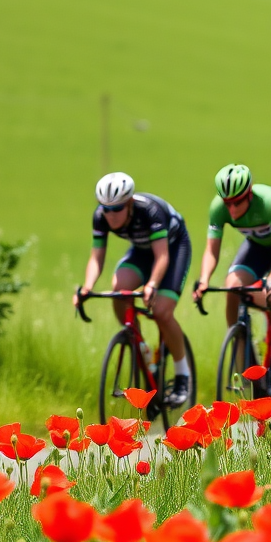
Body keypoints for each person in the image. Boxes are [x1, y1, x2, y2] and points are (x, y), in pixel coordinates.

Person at [75, 172, 193, 406]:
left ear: (129, 203)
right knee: (119, 289)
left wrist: (152, 285)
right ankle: (139, 344)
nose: (110, 215)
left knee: (161, 311)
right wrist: (87, 287)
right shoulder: (100, 216)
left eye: (116, 209)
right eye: (106, 209)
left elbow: (161, 257)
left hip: (172, 247)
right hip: (141, 251)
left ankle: (182, 375)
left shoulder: (150, 211)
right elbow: (96, 257)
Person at [193, 164, 271, 388]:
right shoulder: (218, 208)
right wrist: (204, 278)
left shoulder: (268, 202)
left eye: (237, 202)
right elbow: (211, 250)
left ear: (249, 193)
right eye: (227, 203)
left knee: (268, 295)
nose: (232, 209)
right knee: (232, 286)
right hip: (257, 246)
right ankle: (239, 345)